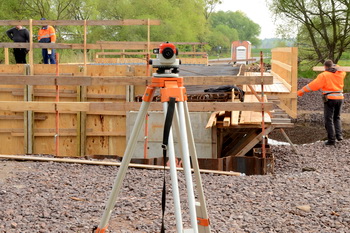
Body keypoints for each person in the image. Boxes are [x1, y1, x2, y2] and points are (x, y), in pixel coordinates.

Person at [297, 60, 347, 146]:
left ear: (325, 67)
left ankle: (331, 140)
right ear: (333, 66)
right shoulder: (341, 73)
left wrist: (301, 91)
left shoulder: (324, 75)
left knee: (328, 119)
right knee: (337, 117)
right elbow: (341, 69)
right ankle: (339, 136)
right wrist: (335, 66)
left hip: (330, 99)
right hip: (340, 98)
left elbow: (313, 85)